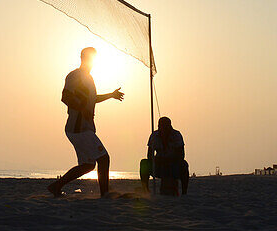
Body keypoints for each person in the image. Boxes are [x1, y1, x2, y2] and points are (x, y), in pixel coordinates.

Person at [47, 47, 124, 198]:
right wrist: (81, 109)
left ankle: (56, 186)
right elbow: (65, 97)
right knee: (103, 158)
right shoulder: (75, 76)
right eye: (90, 58)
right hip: (78, 128)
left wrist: (111, 95)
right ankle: (105, 193)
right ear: (83, 58)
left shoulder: (88, 77)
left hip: (84, 127)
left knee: (88, 165)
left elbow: (92, 99)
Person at [141, 116, 189, 196]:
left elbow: (181, 154)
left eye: (165, 126)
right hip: (158, 164)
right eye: (160, 126)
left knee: (184, 164)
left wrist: (170, 160)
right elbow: (149, 154)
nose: (163, 129)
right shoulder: (154, 135)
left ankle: (184, 192)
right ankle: (145, 189)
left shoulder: (176, 135)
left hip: (173, 164)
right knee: (144, 163)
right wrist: (156, 160)